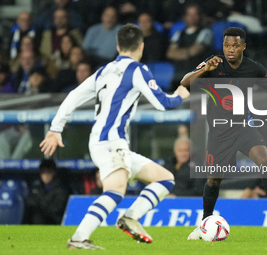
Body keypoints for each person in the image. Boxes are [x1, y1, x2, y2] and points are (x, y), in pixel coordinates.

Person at [40, 23, 190, 249]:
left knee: (165, 178)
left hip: (110, 143)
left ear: (118, 46)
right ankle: (79, 238)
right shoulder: (138, 70)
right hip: (110, 143)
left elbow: (73, 95)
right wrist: (180, 95)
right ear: (141, 46)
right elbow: (163, 103)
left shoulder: (103, 71)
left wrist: (55, 128)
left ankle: (130, 217)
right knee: (115, 190)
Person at [180, 27, 267, 240]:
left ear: (243, 46)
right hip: (219, 133)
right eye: (226, 45)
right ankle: (205, 222)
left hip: (244, 128)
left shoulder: (254, 68)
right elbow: (185, 83)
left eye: (234, 45)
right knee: (214, 180)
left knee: (265, 161)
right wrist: (205, 70)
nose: (229, 49)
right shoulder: (214, 64)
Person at [166, 3, 213, 91]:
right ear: (185, 16)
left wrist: (178, 52)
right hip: (179, 77)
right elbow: (170, 53)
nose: (192, 17)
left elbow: (195, 51)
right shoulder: (179, 34)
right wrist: (186, 53)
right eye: (189, 14)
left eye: (195, 14)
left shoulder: (206, 32)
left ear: (200, 16)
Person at [24, 159, 69, 224]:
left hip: (55, 222)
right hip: (36, 221)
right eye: (43, 172)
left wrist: (40, 205)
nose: (46, 175)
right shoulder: (36, 187)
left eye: (49, 172)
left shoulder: (62, 188)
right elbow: (29, 202)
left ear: (54, 172)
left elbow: (58, 208)